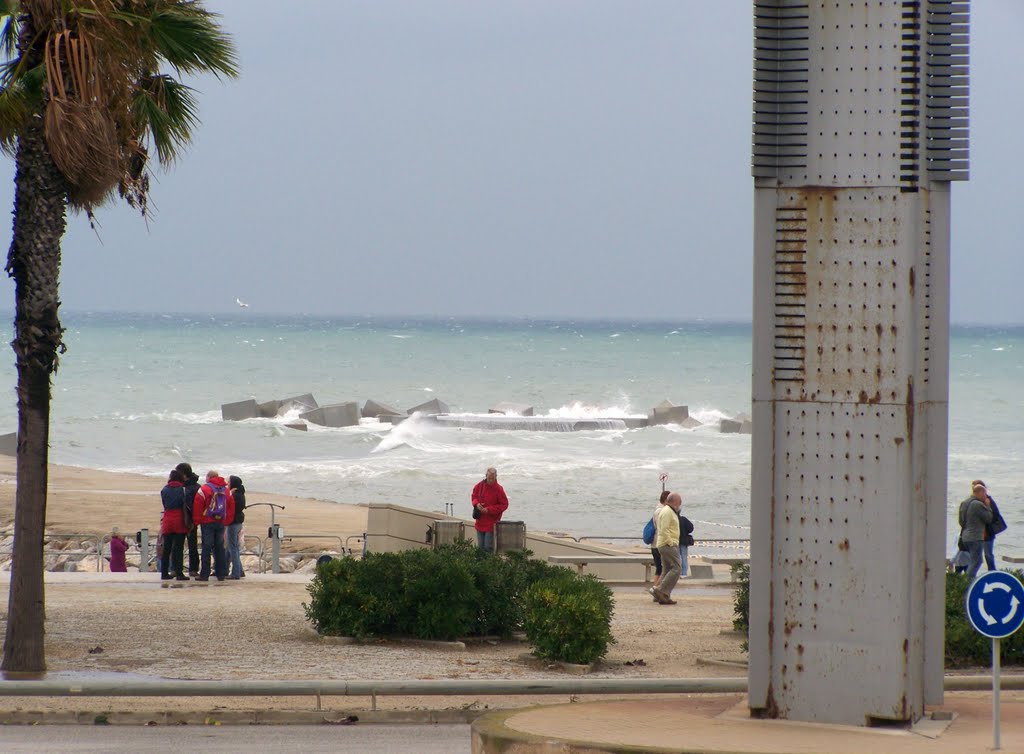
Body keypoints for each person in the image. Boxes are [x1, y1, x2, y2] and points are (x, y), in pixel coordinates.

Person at [192, 470, 235, 581]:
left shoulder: (204, 489)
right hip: (221, 521)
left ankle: (204, 574)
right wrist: (227, 521)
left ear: (209, 477)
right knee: (219, 548)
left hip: (207, 521)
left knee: (206, 547)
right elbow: (231, 506)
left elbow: (198, 505)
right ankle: (221, 573)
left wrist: (197, 521)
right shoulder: (226, 490)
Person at [651, 492, 682, 604]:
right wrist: (671, 543)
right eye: (679, 502)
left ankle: (663, 596)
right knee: (677, 568)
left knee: (667, 569)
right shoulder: (668, 512)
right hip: (667, 544)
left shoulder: (667, 511)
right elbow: (664, 529)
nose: (679, 505)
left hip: (663, 544)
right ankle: (660, 590)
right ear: (674, 502)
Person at [159, 469, 190, 581]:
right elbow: (185, 504)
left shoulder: (164, 490)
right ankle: (179, 572)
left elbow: (164, 504)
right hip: (179, 519)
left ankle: (164, 572)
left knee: (166, 548)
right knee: (178, 548)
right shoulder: (183, 489)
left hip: (167, 519)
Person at [959, 483, 993, 579]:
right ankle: (967, 582)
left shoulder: (965, 503)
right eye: (984, 493)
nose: (985, 496)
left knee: (973, 560)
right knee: (977, 561)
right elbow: (988, 518)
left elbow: (961, 521)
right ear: (979, 493)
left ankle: (967, 580)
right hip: (975, 537)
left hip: (966, 536)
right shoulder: (977, 504)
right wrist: (988, 506)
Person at [471, 467, 508, 551]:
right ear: (486, 476)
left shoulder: (499, 489)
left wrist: (489, 510)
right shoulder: (479, 486)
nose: (491, 480)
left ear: (496, 477)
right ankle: (481, 563)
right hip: (480, 521)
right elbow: (474, 496)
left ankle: (488, 563)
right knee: (480, 547)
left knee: (488, 547)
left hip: (491, 523)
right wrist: (476, 504)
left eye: (493, 478)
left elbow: (504, 504)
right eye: (489, 478)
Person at [975, 479, 1007, 572]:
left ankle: (992, 572)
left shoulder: (989, 501)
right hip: (977, 533)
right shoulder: (973, 502)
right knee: (976, 556)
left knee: (988, 554)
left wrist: (987, 508)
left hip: (987, 533)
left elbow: (995, 515)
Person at [176, 462, 202, 577]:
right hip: (191, 519)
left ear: (184, 474)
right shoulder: (196, 486)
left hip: (188, 519)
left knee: (183, 545)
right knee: (190, 545)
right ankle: (192, 569)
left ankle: (184, 569)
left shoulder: (184, 487)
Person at [650, 490, 670, 590]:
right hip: (659, 544)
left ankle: (656, 589)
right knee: (662, 569)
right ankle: (656, 589)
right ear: (666, 500)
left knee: (659, 569)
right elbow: (662, 528)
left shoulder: (657, 510)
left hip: (655, 543)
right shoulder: (661, 511)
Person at [227, 475, 247, 579]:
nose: (227, 484)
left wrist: (229, 493)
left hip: (233, 523)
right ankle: (240, 570)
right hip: (238, 522)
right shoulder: (241, 494)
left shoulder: (234, 495)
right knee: (234, 548)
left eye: (229, 482)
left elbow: (227, 503)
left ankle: (236, 572)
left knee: (233, 548)